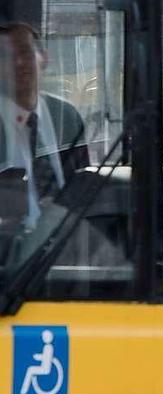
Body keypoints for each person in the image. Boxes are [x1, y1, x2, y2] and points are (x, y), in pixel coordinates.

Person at [0, 20, 84, 234]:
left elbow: (85, 186)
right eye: (6, 56)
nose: (18, 63)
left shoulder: (67, 116)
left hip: (68, 245)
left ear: (44, 59)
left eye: (26, 53)